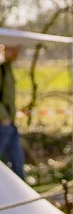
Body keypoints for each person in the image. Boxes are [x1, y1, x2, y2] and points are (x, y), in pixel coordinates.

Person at [0, 45, 26, 179]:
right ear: (3, 48)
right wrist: (3, 118)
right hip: (3, 124)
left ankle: (23, 197)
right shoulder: (1, 68)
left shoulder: (8, 68)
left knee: (18, 163)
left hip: (10, 124)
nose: (17, 52)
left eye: (18, 48)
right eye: (13, 48)